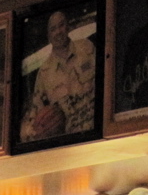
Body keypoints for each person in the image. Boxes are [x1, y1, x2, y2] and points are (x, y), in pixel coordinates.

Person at [19, 8, 95, 143]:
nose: (58, 32)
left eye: (61, 25)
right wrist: (33, 132)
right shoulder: (44, 73)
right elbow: (34, 115)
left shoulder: (87, 48)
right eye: (53, 29)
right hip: (70, 143)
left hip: (96, 133)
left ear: (68, 27)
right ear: (49, 35)